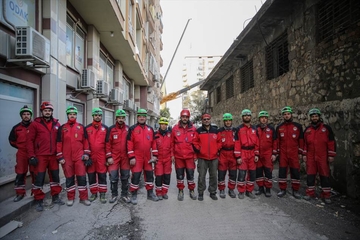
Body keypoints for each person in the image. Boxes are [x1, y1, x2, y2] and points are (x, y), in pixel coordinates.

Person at [27, 102, 64, 211]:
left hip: (53, 156)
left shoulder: (57, 124)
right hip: (40, 156)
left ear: (52, 112)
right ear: (42, 112)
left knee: (55, 178)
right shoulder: (35, 124)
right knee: (39, 178)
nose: (47, 112)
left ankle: (55, 197)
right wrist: (31, 156)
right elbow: (29, 141)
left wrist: (60, 153)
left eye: (49, 110)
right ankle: (38, 200)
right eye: (45, 110)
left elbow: (60, 141)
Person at [57, 106, 91, 206]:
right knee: (69, 178)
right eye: (70, 114)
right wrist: (60, 157)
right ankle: (70, 198)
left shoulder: (81, 127)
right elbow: (59, 143)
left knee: (82, 178)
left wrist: (86, 153)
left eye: (74, 114)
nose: (72, 115)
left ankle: (83, 198)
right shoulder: (62, 128)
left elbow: (86, 142)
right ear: (67, 115)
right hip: (67, 158)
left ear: (76, 115)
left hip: (79, 157)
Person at [303, 108, 336, 204]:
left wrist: (331, 155)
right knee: (310, 175)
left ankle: (326, 195)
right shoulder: (307, 130)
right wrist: (304, 154)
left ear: (319, 117)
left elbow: (331, 142)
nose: (314, 118)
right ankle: (310, 193)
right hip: (311, 156)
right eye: (313, 116)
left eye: (316, 116)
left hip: (323, 156)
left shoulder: (326, 129)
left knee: (324, 175)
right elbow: (305, 144)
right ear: (310, 118)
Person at [127, 109, 158, 205]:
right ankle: (134, 194)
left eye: (143, 116)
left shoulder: (150, 129)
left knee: (149, 176)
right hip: (137, 156)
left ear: (146, 118)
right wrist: (131, 157)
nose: (142, 118)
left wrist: (155, 155)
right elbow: (129, 143)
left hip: (148, 156)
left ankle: (150, 193)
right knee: (135, 176)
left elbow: (153, 143)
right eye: (140, 116)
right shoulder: (132, 129)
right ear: (137, 117)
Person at [276, 106, 304, 199]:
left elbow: (301, 140)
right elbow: (277, 141)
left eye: (288, 114)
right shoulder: (279, 127)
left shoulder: (298, 127)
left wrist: (300, 152)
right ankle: (282, 189)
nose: (286, 116)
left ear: (291, 114)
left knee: (295, 171)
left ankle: (295, 190)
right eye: (285, 114)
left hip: (294, 153)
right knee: (282, 172)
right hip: (283, 153)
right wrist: (277, 152)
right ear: (283, 116)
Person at [8, 105, 34, 202]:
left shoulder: (34, 126)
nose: (26, 116)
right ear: (21, 116)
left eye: (28, 114)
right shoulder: (16, 128)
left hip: (33, 153)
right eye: (24, 114)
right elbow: (11, 140)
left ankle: (35, 192)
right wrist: (20, 147)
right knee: (20, 173)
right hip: (22, 153)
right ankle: (20, 193)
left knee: (34, 172)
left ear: (30, 115)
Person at [171, 109, 197, 201]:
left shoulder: (193, 129)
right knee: (180, 175)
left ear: (188, 118)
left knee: (190, 175)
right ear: (180, 117)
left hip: (190, 157)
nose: (185, 118)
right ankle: (180, 190)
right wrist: (172, 155)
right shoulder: (175, 128)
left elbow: (196, 143)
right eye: (183, 117)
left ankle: (192, 190)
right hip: (179, 157)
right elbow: (172, 143)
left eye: (186, 117)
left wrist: (195, 156)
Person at [193, 113, 220, 201]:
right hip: (202, 158)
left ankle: (212, 192)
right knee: (201, 176)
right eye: (204, 119)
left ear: (210, 120)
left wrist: (217, 149)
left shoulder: (215, 131)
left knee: (214, 176)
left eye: (208, 119)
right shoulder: (198, 131)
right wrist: (199, 149)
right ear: (202, 121)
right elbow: (194, 142)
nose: (206, 120)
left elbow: (219, 142)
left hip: (214, 158)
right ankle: (201, 192)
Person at [106, 109, 131, 203]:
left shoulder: (128, 129)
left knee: (125, 177)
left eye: (122, 118)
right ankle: (114, 194)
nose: (121, 119)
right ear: (116, 118)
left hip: (125, 157)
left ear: (125, 118)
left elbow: (131, 143)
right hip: (114, 157)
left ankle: (124, 194)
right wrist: (109, 157)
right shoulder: (111, 129)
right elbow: (107, 144)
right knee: (113, 177)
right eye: (119, 117)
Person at [234, 109, 259, 199]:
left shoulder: (254, 128)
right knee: (242, 173)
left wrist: (256, 154)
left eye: (248, 115)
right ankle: (241, 191)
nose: (247, 117)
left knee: (252, 173)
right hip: (243, 152)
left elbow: (257, 142)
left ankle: (249, 191)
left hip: (252, 153)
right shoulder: (239, 129)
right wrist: (238, 156)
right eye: (245, 115)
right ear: (242, 117)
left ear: (250, 117)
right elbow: (237, 143)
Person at [85, 108, 108, 203]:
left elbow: (108, 144)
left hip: (101, 156)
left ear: (101, 117)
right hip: (91, 156)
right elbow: (84, 143)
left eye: (99, 115)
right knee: (91, 176)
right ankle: (94, 193)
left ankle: (102, 194)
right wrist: (86, 155)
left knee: (102, 175)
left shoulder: (105, 128)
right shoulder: (87, 128)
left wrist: (107, 157)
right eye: (96, 115)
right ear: (93, 116)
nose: (97, 117)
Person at [255, 111, 277, 197]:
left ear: (267, 119)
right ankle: (260, 188)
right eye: (262, 118)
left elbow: (275, 142)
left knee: (268, 172)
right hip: (258, 154)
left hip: (268, 154)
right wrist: (256, 154)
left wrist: (274, 154)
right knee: (259, 172)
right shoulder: (256, 128)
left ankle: (268, 189)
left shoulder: (271, 129)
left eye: (265, 118)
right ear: (259, 119)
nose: (263, 119)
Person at [217, 113, 237, 198]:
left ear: (231, 121)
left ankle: (231, 189)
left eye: (229, 120)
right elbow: (217, 142)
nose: (228, 122)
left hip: (233, 153)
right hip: (223, 154)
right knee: (222, 173)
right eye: (226, 121)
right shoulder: (220, 131)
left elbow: (238, 143)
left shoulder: (235, 131)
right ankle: (221, 189)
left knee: (233, 173)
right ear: (224, 121)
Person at [154, 117, 173, 200]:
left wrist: (172, 156)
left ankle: (164, 192)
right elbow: (153, 147)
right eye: (162, 124)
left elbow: (172, 146)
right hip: (159, 160)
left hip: (167, 159)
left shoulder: (170, 135)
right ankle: (158, 192)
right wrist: (154, 156)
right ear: (159, 124)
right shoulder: (155, 135)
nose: (164, 126)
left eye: (165, 124)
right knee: (159, 176)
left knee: (167, 176)